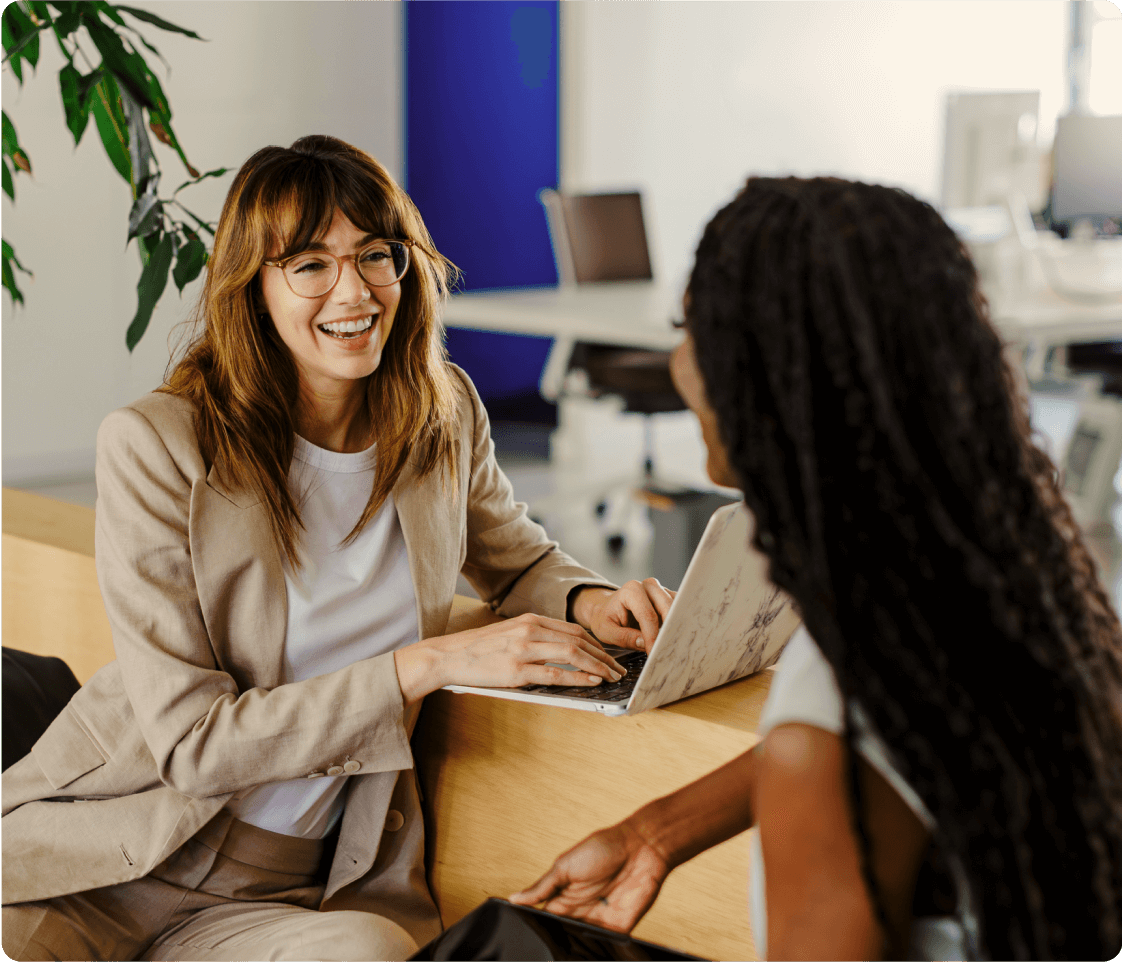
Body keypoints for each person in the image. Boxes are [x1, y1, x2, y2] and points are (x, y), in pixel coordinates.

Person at [0, 135, 676, 962]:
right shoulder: (157, 444)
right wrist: (424, 665)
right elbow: (193, 745)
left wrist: (590, 601)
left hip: (280, 892)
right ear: (253, 289)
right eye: (310, 265)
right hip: (102, 860)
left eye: (375, 256)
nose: (353, 291)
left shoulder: (443, 410)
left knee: (370, 951)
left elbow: (517, 557)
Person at [511, 177, 1122, 961]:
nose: (681, 361)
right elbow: (889, 744)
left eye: (689, 328)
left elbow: (835, 749)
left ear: (762, 374)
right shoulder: (1017, 599)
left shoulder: (833, 702)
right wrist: (654, 833)